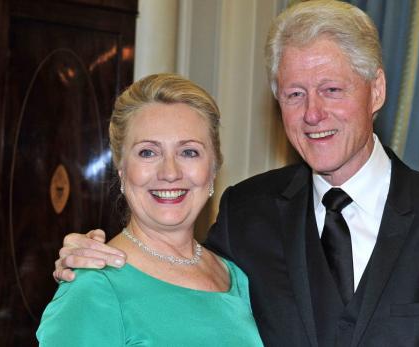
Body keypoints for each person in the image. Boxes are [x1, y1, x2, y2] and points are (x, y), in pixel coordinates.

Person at [53, 1, 419, 346]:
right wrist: (85, 256)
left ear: (375, 90)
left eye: (332, 89)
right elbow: (171, 276)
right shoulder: (246, 213)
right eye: (295, 94)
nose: (313, 113)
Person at [37, 73, 263, 346]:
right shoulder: (93, 286)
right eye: (148, 152)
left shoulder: (234, 277)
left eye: (189, 152)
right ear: (121, 170)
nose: (170, 172)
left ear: (213, 169)